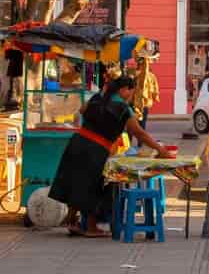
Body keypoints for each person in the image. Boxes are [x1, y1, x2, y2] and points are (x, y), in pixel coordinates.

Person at [48, 75, 175, 237]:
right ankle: (91, 228)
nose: (130, 96)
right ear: (124, 90)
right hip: (96, 149)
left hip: (78, 142)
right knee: (93, 186)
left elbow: (81, 111)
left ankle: (72, 221)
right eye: (131, 92)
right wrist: (161, 150)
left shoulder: (97, 97)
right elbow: (140, 134)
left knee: (75, 181)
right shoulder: (122, 108)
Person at [132, 52, 159, 130]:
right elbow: (155, 89)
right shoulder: (137, 75)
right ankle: (138, 141)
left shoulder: (148, 76)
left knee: (139, 125)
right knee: (139, 125)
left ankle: (139, 141)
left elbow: (154, 88)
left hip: (141, 103)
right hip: (138, 103)